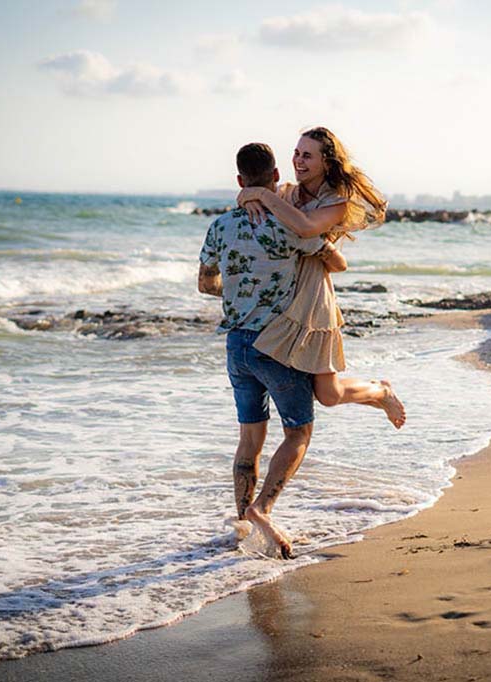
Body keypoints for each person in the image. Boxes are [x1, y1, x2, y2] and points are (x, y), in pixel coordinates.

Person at [198, 142, 346, 560]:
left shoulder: (220, 227)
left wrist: (239, 291)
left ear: (240, 181)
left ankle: (243, 526)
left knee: (249, 440)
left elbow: (206, 284)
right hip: (277, 343)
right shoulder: (286, 227)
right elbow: (335, 262)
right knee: (298, 431)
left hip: (237, 345)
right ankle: (262, 510)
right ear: (277, 175)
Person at [235, 126, 406, 429]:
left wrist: (258, 193)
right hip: (281, 300)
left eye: (308, 156)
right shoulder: (285, 192)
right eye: (297, 153)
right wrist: (246, 197)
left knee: (328, 394)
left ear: (326, 162)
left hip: (313, 300)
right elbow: (250, 204)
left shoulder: (335, 202)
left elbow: (305, 226)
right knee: (284, 380)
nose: (298, 161)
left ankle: (381, 390)